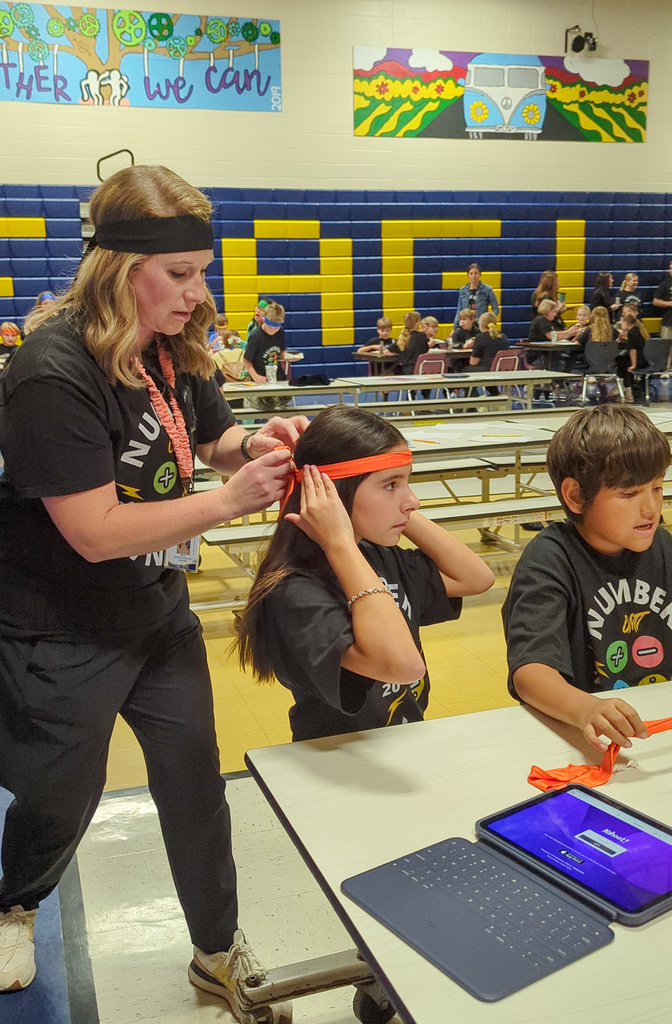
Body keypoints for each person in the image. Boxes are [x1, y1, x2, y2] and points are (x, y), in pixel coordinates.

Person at [0, 164, 308, 1017]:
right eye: (179, 273)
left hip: (155, 613)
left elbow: (212, 439)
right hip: (60, 625)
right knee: (61, 792)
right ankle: (14, 901)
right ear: (119, 269)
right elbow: (95, 530)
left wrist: (258, 446)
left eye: (200, 270)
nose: (197, 291)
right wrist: (228, 502)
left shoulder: (171, 346)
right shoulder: (51, 370)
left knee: (194, 783)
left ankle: (216, 949)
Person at [236, 406, 495, 740]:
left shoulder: (377, 555)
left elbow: (475, 578)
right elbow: (404, 666)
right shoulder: (295, 590)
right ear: (333, 493)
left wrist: (399, 513)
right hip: (341, 759)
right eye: (390, 485)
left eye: (407, 481)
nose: (413, 500)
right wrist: (340, 542)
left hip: (401, 744)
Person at [502, 404, 672, 755]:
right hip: (584, 737)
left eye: (657, 488)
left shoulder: (664, 547)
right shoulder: (549, 559)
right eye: (629, 493)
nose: (651, 508)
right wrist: (585, 709)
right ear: (576, 496)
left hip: (654, 730)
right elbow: (531, 672)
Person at [616, 307, 650, 403]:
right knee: (623, 361)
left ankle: (627, 392)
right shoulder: (640, 330)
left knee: (623, 363)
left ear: (626, 322)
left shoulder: (631, 333)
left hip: (639, 361)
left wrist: (633, 365)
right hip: (647, 359)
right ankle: (626, 391)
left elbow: (632, 350)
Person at [452, 263, 499, 332]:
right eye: (471, 274)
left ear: (480, 275)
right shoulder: (463, 290)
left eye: (476, 273)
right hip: (467, 325)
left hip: (480, 325)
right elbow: (459, 310)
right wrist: (454, 328)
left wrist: (488, 320)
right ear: (468, 275)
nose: (473, 276)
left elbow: (496, 308)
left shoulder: (487, 289)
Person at [652, 260, 672, 341]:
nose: (671, 271)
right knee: (666, 347)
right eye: (670, 268)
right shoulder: (666, 283)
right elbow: (655, 301)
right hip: (669, 322)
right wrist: (669, 303)